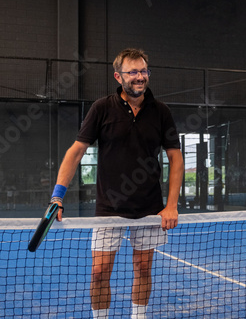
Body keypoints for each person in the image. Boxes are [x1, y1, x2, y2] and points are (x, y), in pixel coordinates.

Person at [50, 48, 184, 319]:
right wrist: (57, 196)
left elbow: (175, 157)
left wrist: (171, 206)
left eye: (143, 71)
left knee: (143, 268)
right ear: (118, 76)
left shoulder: (161, 112)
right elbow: (75, 152)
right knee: (99, 272)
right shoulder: (101, 108)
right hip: (109, 207)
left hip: (149, 208)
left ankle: (139, 316)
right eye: (132, 72)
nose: (139, 77)